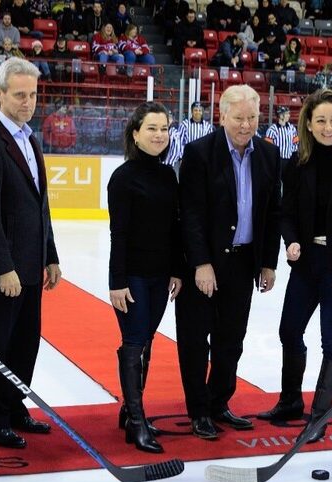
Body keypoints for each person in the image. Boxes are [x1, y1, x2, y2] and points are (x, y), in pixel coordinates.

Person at [255, 89, 332, 444]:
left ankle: (320, 416)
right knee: (289, 331)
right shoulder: (297, 163)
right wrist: (290, 241)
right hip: (307, 264)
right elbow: (286, 212)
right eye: (321, 120)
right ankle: (291, 401)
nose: (328, 127)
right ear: (308, 123)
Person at [175, 84, 282, 440]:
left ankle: (219, 401)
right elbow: (189, 214)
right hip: (204, 266)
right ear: (222, 117)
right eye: (238, 118)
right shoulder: (199, 153)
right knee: (195, 339)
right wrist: (200, 263)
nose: (246, 125)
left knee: (231, 339)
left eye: (252, 117)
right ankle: (198, 410)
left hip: (243, 263)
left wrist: (269, 262)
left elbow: (272, 213)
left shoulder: (269, 155)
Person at [0, 57, 60, 449]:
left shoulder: (29, 138)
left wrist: (50, 255)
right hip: (1, 272)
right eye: (19, 95)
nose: (28, 102)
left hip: (31, 266)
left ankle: (15, 405)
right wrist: (4, 267)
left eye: (33, 94)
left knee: (25, 343)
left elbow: (40, 205)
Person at [108, 101, 184, 454]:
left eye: (164, 128)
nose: (159, 135)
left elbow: (174, 228)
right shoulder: (122, 178)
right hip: (133, 276)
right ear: (135, 134)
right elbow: (118, 234)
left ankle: (129, 410)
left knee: (147, 342)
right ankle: (137, 422)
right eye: (151, 128)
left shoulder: (169, 175)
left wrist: (177, 271)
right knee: (135, 343)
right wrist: (116, 281)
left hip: (160, 275)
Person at [264, 106, 298, 170]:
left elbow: (296, 144)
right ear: (281, 116)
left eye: (289, 113)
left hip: (290, 160)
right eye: (287, 114)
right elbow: (268, 148)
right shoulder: (272, 130)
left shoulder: (292, 128)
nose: (289, 115)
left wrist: (293, 158)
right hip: (278, 160)